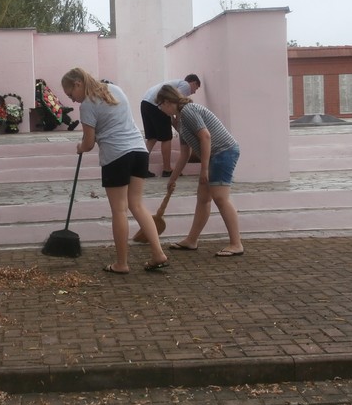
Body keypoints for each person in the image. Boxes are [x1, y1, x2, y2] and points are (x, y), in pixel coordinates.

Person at [61, 68, 169, 273]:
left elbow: (90, 142)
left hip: (116, 156)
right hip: (139, 151)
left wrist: (80, 147)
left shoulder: (87, 105)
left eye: (70, 95)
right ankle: (158, 253)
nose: (72, 100)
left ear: (78, 84)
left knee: (119, 209)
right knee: (136, 205)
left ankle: (121, 263)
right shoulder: (115, 90)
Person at [155, 84, 244, 257]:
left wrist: (203, 169)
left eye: (160, 105)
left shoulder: (188, 110)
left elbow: (205, 136)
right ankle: (191, 240)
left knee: (220, 197)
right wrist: (172, 178)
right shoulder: (180, 119)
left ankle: (236, 244)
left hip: (223, 152)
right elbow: (185, 154)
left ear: (167, 102)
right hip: (214, 156)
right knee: (203, 198)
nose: (160, 110)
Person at [140, 74, 201, 177]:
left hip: (145, 103)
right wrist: (178, 123)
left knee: (152, 138)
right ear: (193, 83)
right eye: (196, 88)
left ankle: (140, 168)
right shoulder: (186, 85)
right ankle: (167, 169)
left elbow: (171, 108)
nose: (194, 92)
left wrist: (175, 123)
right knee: (167, 138)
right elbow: (177, 103)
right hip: (157, 105)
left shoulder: (174, 84)